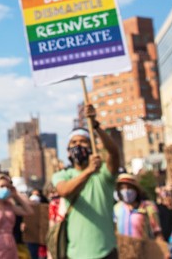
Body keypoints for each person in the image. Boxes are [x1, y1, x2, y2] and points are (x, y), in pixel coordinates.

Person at [51, 107, 121, 259]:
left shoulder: (103, 174)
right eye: (74, 142)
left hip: (106, 252)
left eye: (83, 141)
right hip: (76, 254)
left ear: (91, 146)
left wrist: (96, 126)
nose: (78, 145)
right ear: (68, 150)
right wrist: (89, 170)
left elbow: (114, 153)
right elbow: (64, 191)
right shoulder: (63, 175)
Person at [112, 173, 163, 243]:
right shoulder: (116, 208)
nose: (126, 191)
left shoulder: (148, 207)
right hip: (123, 250)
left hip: (144, 250)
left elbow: (157, 232)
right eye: (123, 188)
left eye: (129, 187)